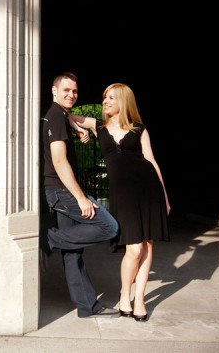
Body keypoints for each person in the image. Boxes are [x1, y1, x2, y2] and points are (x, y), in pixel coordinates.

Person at [71, 82, 171, 322]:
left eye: (111, 98)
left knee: (147, 245)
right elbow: (64, 114)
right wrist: (78, 129)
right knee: (134, 248)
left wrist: (165, 196)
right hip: (123, 194)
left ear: (123, 101)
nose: (105, 101)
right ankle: (125, 294)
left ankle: (140, 298)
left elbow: (152, 161)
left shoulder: (139, 129)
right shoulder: (98, 126)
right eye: (105, 97)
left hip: (148, 189)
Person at [41, 72, 120, 318]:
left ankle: (87, 306)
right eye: (65, 90)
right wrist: (80, 198)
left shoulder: (61, 116)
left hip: (60, 191)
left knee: (73, 251)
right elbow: (59, 160)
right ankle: (49, 239)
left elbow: (67, 118)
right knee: (109, 226)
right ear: (54, 91)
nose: (71, 94)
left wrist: (74, 125)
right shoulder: (55, 116)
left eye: (74, 91)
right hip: (62, 192)